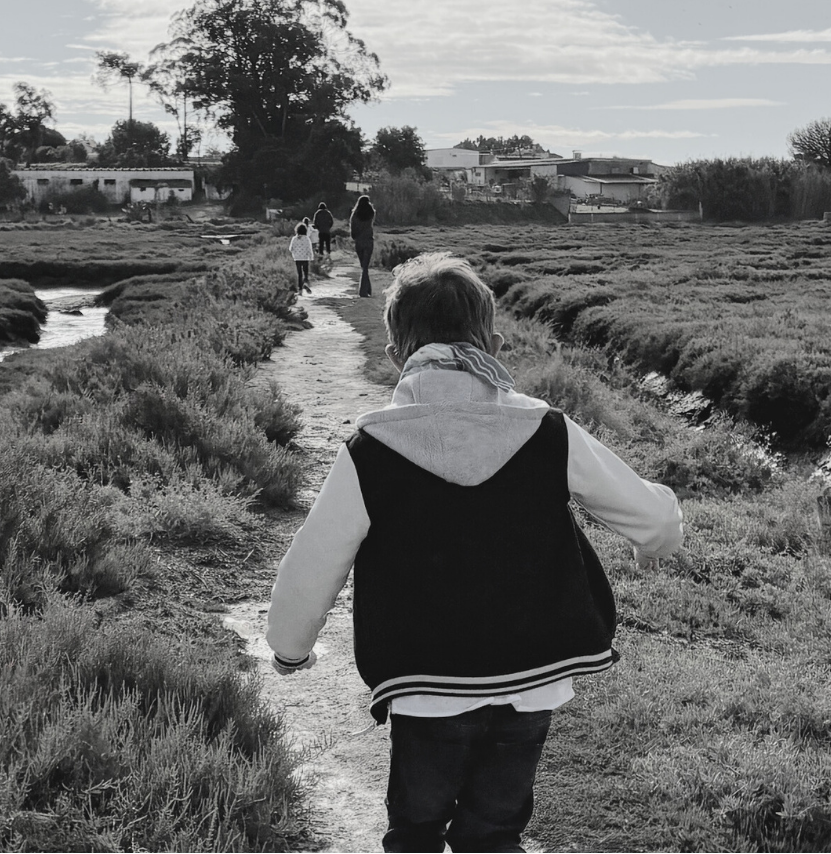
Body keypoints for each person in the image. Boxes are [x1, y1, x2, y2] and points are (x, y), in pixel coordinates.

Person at [266, 253, 683, 853]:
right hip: (531, 676)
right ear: (492, 340)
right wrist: (656, 542)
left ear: (394, 355)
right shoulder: (547, 429)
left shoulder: (370, 449)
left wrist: (289, 648)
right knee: (494, 832)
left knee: (415, 829)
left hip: (424, 683)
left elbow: (315, 560)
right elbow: (651, 515)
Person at [350, 194, 377, 297]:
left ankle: (364, 290)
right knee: (365, 267)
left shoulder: (354, 215)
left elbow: (352, 229)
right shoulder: (371, 213)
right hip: (369, 241)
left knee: (363, 266)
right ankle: (366, 290)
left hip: (359, 242)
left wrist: (355, 237)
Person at [288, 221, 314, 294]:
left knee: (299, 274)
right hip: (305, 258)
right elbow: (309, 249)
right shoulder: (307, 239)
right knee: (305, 273)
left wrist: (295, 253)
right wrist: (311, 257)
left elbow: (290, 248)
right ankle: (305, 283)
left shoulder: (294, 239)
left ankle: (300, 290)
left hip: (297, 258)